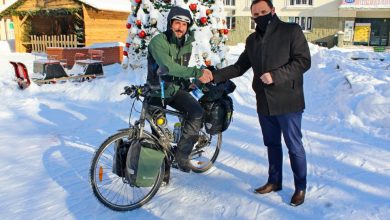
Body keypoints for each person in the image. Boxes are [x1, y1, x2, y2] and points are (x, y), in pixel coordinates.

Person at [201, 0, 311, 206]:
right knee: (272, 144)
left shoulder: (291, 30)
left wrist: (276, 76)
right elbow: (239, 67)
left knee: (294, 146)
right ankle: (274, 181)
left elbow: (303, 61)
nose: (260, 16)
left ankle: (300, 187)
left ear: (273, 11)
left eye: (263, 12)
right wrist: (213, 76)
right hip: (264, 101)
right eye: (256, 14)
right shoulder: (252, 40)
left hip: (288, 101)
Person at [146, 6, 213, 172]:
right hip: (156, 90)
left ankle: (181, 156)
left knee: (197, 113)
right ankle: (161, 172)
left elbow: (181, 68)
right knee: (158, 134)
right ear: (170, 24)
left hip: (175, 90)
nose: (180, 28)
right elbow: (168, 67)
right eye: (177, 23)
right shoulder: (158, 42)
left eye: (184, 24)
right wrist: (197, 73)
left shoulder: (187, 43)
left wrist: (187, 82)